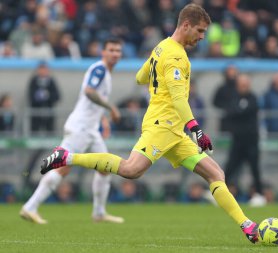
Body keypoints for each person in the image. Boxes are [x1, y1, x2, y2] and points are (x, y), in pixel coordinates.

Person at [40, 4, 259, 244]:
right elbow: (177, 99)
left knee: (216, 173)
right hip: (162, 126)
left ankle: (246, 225)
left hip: (174, 131)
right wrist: (196, 129)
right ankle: (67, 157)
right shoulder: (175, 56)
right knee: (131, 170)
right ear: (185, 25)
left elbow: (140, 77)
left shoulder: (161, 47)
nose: (202, 36)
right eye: (199, 30)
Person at [20, 38, 124, 224]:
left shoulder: (105, 73)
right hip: (80, 128)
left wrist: (103, 120)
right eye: (111, 50)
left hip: (90, 129)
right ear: (103, 52)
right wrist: (111, 108)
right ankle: (30, 207)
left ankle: (99, 212)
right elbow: (89, 92)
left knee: (105, 167)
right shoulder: (99, 69)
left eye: (118, 50)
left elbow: (91, 103)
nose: (115, 54)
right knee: (63, 167)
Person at [223, 74, 264, 204]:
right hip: (237, 141)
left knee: (255, 169)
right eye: (241, 84)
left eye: (245, 84)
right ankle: (218, 192)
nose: (243, 86)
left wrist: (238, 112)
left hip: (251, 141)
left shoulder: (253, 98)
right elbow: (230, 113)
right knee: (229, 168)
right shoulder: (233, 98)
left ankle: (259, 195)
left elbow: (244, 111)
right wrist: (238, 112)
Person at [27, 61, 61, 133]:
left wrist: (48, 96)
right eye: (41, 69)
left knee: (50, 133)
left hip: (48, 113)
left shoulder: (51, 81)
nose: (43, 71)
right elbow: (30, 96)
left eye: (45, 69)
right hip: (36, 113)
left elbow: (57, 96)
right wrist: (38, 97)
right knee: (35, 132)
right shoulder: (34, 81)